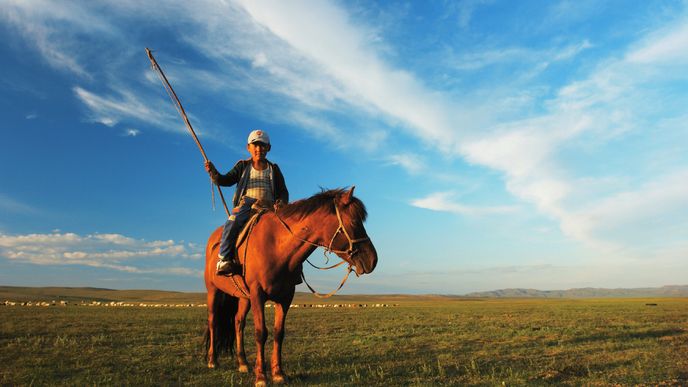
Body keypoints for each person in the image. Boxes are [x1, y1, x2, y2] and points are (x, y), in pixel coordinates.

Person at [205, 129, 289, 275]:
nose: (259, 149)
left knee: (291, 230)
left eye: (262, 145)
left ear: (268, 148)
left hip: (269, 206)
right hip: (247, 205)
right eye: (255, 145)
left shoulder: (274, 168)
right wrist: (214, 172)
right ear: (248, 147)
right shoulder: (243, 166)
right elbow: (225, 180)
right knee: (232, 222)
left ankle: (293, 270)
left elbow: (283, 191)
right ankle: (224, 259)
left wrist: (281, 202)